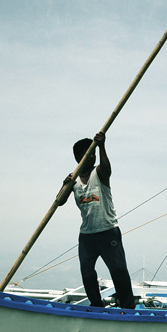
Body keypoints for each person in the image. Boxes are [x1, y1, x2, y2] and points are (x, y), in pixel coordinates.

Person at [58, 131, 136, 309]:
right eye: (89, 153)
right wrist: (65, 186)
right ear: (79, 157)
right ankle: (96, 305)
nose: (92, 157)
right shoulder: (74, 181)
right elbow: (59, 202)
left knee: (118, 270)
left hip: (108, 231)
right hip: (87, 236)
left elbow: (108, 168)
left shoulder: (99, 173)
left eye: (94, 154)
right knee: (87, 273)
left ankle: (127, 307)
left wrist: (101, 146)